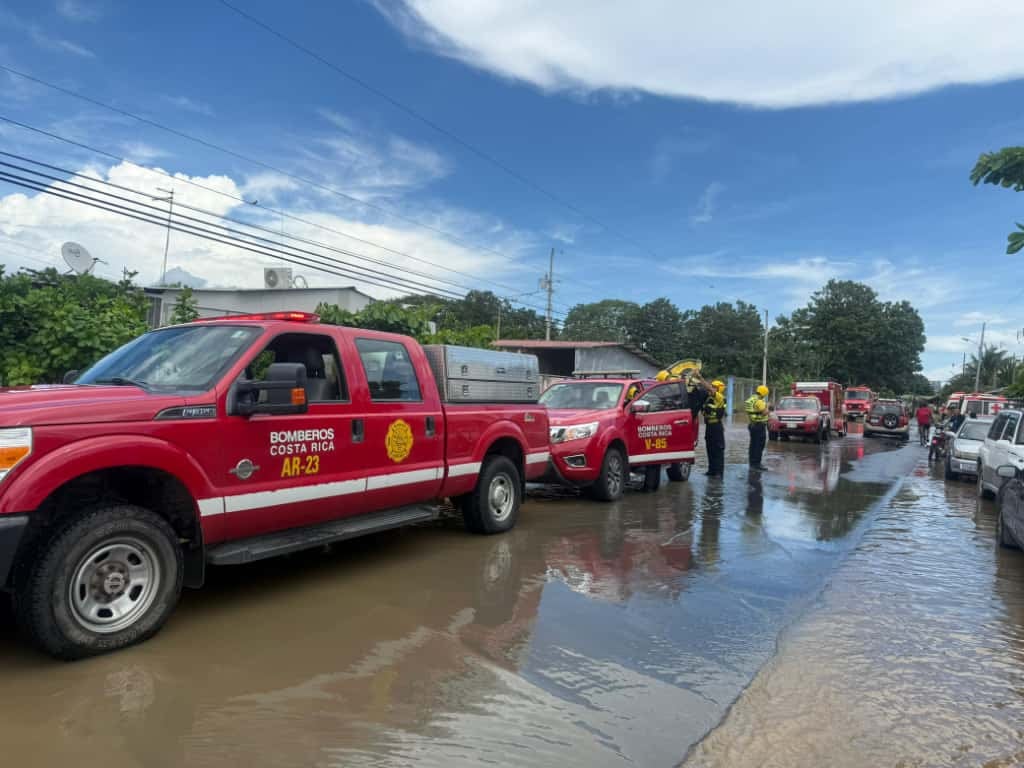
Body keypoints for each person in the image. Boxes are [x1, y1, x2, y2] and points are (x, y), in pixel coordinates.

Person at [703, 379, 727, 477]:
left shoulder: (720, 397)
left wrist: (700, 378)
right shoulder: (709, 398)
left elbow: (710, 389)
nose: (711, 388)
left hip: (716, 427)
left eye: (714, 387)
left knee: (718, 450)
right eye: (711, 386)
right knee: (710, 448)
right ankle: (711, 470)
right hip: (709, 427)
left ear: (719, 389)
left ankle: (718, 472)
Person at [745, 385, 770, 469]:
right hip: (759, 426)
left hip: (752, 424)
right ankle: (756, 464)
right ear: (764, 393)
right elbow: (765, 412)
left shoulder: (751, 399)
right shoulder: (759, 401)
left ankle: (752, 463)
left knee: (753, 445)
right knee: (759, 446)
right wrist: (768, 406)